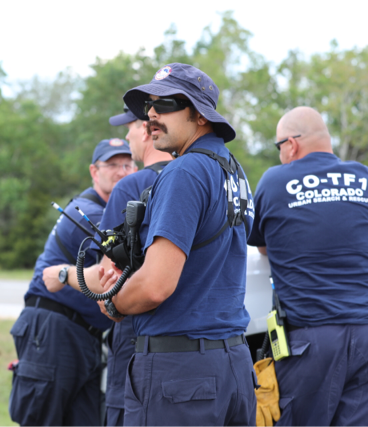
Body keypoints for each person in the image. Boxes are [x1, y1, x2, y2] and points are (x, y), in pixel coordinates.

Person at [98, 63, 256, 426]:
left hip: (182, 374)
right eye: (149, 106)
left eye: (165, 104)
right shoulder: (234, 170)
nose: (151, 114)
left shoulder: (185, 172)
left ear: (200, 114)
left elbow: (155, 286)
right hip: (233, 363)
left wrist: (115, 301)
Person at [247, 106, 368, 426]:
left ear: (291, 144)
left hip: (313, 339)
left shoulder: (274, 182)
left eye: (279, 148)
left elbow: (263, 244)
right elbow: (363, 228)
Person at [43, 105, 173, 427]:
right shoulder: (202, 179)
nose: (127, 136)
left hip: (137, 338)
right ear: (93, 170)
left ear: (146, 130)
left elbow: (106, 283)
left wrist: (63, 273)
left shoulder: (129, 188)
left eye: (128, 129)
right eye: (111, 165)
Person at [9, 138, 135, 427]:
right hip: (54, 329)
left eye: (128, 164)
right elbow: (106, 279)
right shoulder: (90, 213)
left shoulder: (111, 212)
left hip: (85, 335)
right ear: (94, 171)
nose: (122, 171)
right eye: (113, 164)